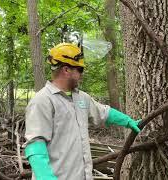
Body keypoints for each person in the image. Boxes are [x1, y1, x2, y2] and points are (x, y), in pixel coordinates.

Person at [23, 43, 141, 180]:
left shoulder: (81, 98)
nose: (82, 74)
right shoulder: (42, 100)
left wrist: (128, 121)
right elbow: (35, 146)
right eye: (80, 69)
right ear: (66, 69)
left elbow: (104, 113)